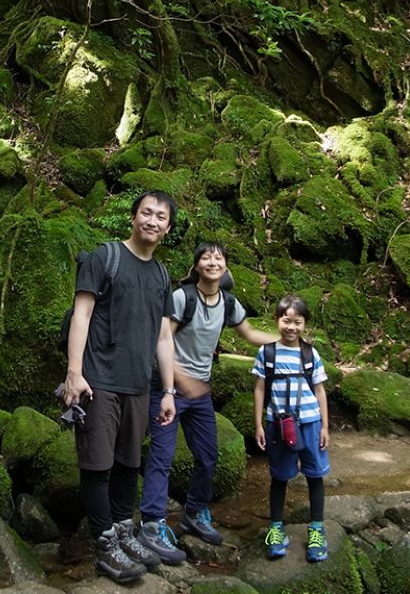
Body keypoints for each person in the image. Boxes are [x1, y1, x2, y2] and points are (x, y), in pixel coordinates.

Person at [62, 190, 178, 582]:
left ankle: (123, 531)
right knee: (97, 465)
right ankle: (105, 544)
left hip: (138, 384)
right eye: (146, 213)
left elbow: (163, 337)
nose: (152, 221)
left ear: (167, 228)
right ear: (133, 217)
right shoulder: (104, 258)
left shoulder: (162, 275)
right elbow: (82, 313)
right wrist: (74, 373)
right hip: (98, 380)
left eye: (161, 217)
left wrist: (168, 390)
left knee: (129, 464)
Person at [138, 241, 277, 564]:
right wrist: (178, 383)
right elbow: (162, 339)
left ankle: (194, 513)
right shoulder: (181, 297)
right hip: (167, 389)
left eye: (218, 258)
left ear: (225, 268)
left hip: (200, 393)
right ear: (197, 265)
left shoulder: (228, 303)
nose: (212, 262)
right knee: (162, 456)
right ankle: (152, 525)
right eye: (206, 257)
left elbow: (250, 334)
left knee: (208, 456)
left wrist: (289, 340)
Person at [252, 294, 330, 562]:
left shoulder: (310, 353)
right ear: (277, 321)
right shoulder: (267, 352)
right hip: (278, 424)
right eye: (286, 321)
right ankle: (275, 529)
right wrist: (259, 424)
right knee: (280, 476)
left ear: (305, 324)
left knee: (315, 474)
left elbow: (320, 391)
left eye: (297, 322)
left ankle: (317, 530)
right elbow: (260, 388)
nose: (291, 327)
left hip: (309, 423)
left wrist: (325, 427)